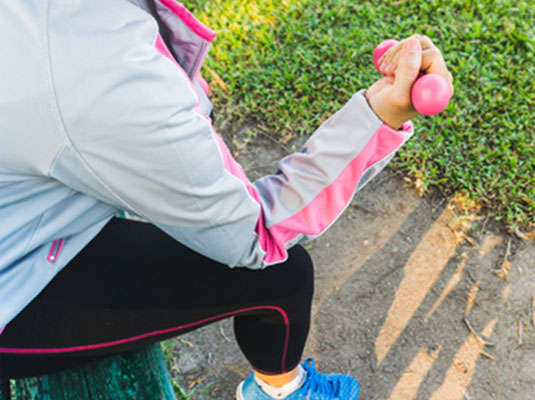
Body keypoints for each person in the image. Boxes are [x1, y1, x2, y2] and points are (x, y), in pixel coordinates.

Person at [0, 1, 453, 399]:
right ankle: (281, 393)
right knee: (282, 277)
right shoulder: (98, 72)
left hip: (25, 208)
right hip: (14, 288)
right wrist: (379, 113)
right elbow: (258, 235)